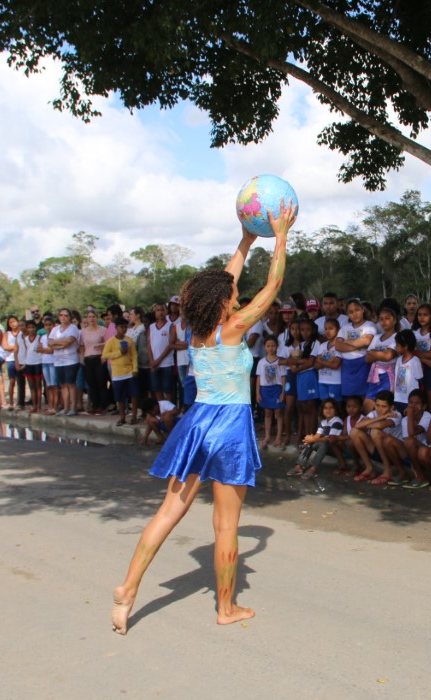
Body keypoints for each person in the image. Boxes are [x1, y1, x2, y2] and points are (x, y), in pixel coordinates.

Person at [112, 202, 294, 633]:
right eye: (231, 291)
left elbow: (222, 282)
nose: (235, 291)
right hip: (229, 425)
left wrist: (246, 242)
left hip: (197, 423)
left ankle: (127, 588)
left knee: (167, 513)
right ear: (225, 300)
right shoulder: (233, 326)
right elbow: (273, 284)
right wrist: (281, 235)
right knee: (226, 524)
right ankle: (226, 608)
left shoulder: (196, 329)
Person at [349, 390, 403, 484]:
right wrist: (382, 417)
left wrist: (367, 424)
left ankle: (387, 471)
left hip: (395, 452)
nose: (379, 409)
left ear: (392, 407)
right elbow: (357, 426)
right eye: (377, 405)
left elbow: (379, 426)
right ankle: (369, 468)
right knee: (354, 432)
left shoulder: (396, 414)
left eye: (384, 406)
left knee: (375, 432)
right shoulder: (374, 414)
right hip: (379, 449)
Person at [288, 398, 344, 479]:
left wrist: (314, 439)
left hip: (335, 448)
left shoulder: (337, 421)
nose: (328, 410)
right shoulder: (323, 421)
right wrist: (309, 439)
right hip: (325, 447)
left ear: (336, 410)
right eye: (325, 408)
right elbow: (317, 435)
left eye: (331, 408)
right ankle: (299, 465)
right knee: (310, 441)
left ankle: (313, 468)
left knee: (324, 442)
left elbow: (330, 438)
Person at [103, 322, 138, 427]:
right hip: (117, 373)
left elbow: (134, 356)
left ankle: (134, 416)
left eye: (125, 327)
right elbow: (105, 355)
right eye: (121, 326)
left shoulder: (129, 340)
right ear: (116, 328)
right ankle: (122, 417)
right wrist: (119, 352)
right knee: (120, 397)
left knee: (134, 395)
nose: (123, 329)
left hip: (130, 371)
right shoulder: (111, 341)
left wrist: (135, 369)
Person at [256, 336, 287, 448]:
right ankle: (267, 436)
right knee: (268, 413)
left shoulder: (281, 361)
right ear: (264, 347)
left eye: (273, 345)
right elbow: (259, 378)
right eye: (268, 346)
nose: (270, 348)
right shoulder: (261, 362)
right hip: (265, 389)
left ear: (277, 347)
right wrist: (257, 393)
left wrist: (283, 392)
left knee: (278, 412)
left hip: (277, 388)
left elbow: (283, 377)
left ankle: (278, 436)